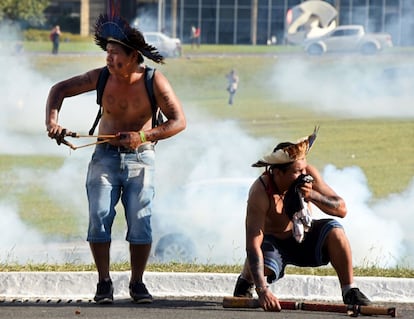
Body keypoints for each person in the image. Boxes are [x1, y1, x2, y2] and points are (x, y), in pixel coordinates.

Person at [45, 13, 186, 304]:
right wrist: (53, 122)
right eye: (107, 53)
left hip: (141, 159)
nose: (109, 59)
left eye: (115, 54)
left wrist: (143, 137)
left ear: (133, 55)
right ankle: (104, 283)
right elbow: (58, 90)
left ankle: (137, 283)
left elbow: (179, 121)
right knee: (98, 217)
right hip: (104, 157)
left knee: (140, 223)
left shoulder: (154, 81)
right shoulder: (101, 77)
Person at [232, 127, 371, 312]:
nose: (304, 174)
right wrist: (262, 290)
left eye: (304, 168)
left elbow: (341, 209)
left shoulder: (308, 177)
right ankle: (246, 280)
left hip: (304, 237)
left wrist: (313, 195)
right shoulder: (260, 191)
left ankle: (349, 290)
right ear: (278, 172)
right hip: (274, 244)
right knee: (262, 260)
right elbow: (252, 244)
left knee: (335, 230)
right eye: (297, 172)